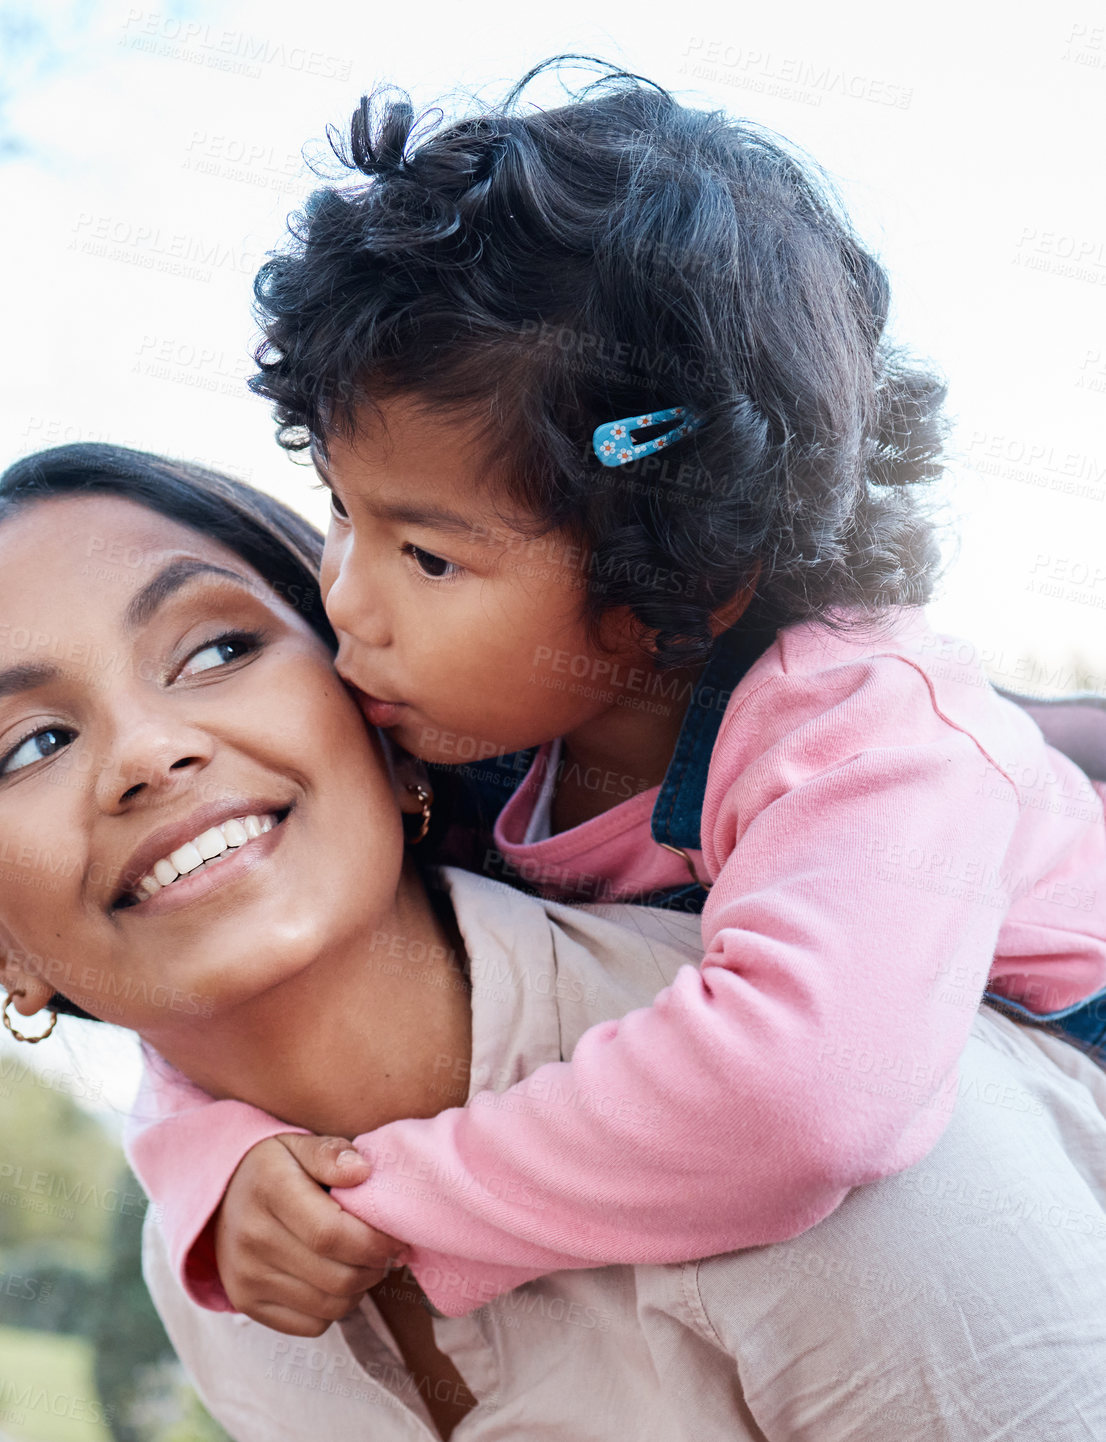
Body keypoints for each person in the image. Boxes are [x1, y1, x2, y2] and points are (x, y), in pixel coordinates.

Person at [124, 59, 1106, 1332]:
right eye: (341, 511)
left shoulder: (878, 732)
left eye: (429, 555)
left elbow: (803, 1098)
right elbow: (254, 927)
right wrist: (222, 1158)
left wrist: (391, 1198)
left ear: (672, 569)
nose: (347, 599)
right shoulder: (465, 734)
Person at [0, 444, 1106, 1440]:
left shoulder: (805, 1083)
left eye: (220, 647)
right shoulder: (213, 1277)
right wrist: (203, 1180)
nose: (145, 754)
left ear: (376, 708)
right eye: (31, 743)